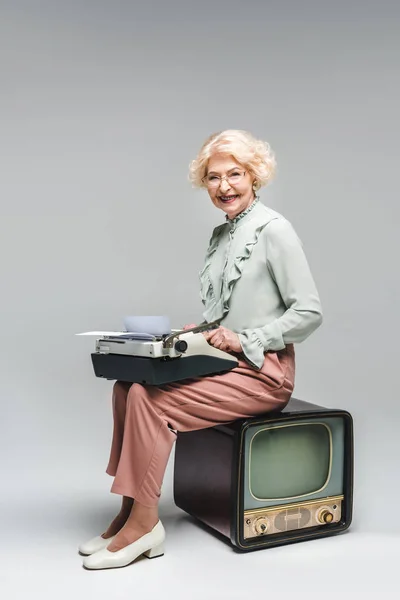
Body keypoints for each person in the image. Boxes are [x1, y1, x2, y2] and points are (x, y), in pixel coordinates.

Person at [78, 129, 323, 570]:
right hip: (225, 365)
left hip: (263, 374)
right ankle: (131, 509)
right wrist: (206, 330)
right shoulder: (222, 235)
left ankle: (146, 525)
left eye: (235, 174)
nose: (224, 186)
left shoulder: (275, 231)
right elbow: (235, 312)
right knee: (125, 386)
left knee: (152, 401)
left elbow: (308, 314)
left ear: (254, 176)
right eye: (213, 178)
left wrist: (245, 339)